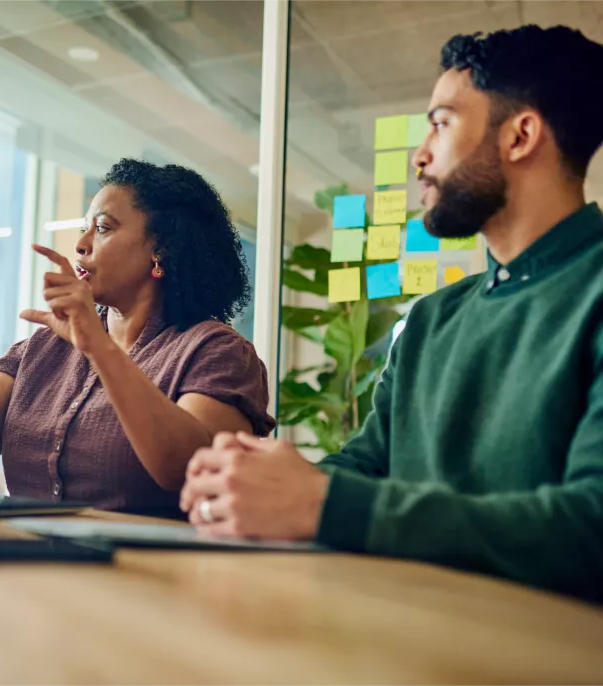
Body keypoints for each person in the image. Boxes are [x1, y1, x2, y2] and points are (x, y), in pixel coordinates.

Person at [180, 25, 603, 602]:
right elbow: (369, 464)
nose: (420, 155)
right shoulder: (432, 318)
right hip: (407, 630)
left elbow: (590, 528)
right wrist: (263, 481)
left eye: (442, 122)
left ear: (521, 134)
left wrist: (323, 504)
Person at [0, 159, 274, 516]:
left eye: (103, 228)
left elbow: (184, 470)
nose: (81, 244)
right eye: (84, 228)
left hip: (151, 570)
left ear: (160, 248)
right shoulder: (44, 346)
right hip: (26, 562)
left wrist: (98, 348)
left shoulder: (217, 352)